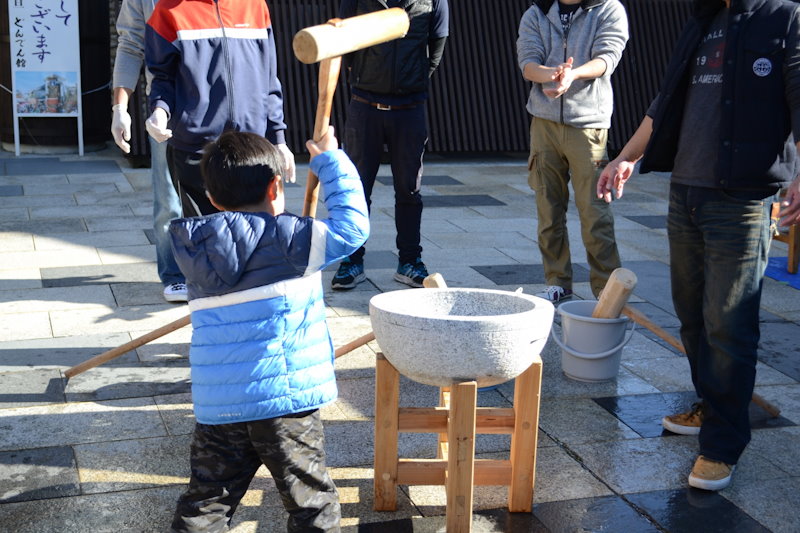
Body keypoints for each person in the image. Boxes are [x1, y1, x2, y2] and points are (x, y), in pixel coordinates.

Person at [597, 0, 800, 491]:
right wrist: (625, 158)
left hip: (742, 198)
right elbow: (664, 103)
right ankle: (712, 406)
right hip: (685, 193)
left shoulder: (784, 16)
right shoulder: (701, 21)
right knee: (692, 315)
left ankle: (722, 444)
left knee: (729, 323)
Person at [167, 127, 369, 532]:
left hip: (220, 407)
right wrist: (330, 160)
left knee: (207, 499)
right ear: (276, 186)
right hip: (285, 405)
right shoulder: (290, 239)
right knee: (311, 504)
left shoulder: (195, 250)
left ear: (211, 198)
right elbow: (353, 228)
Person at [330, 0, 449, 290]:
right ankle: (352, 260)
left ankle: (410, 262)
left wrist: (413, 80)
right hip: (365, 105)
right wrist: (364, 77)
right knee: (357, 188)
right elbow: (346, 40)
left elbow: (436, 47)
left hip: (410, 107)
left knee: (409, 189)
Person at [516, 0, 628, 302]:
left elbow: (608, 57)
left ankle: (606, 291)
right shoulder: (536, 12)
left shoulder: (608, 9)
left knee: (595, 213)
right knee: (548, 209)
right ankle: (557, 281)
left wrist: (572, 74)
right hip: (543, 123)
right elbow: (527, 63)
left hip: (589, 125)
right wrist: (552, 74)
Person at [144, 0, 296, 218]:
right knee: (205, 241)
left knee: (255, 239)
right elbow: (163, 77)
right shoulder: (168, 10)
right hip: (195, 150)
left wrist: (278, 139)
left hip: (252, 150)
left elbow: (269, 78)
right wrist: (160, 111)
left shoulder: (255, 5)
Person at [111, 0, 187, 303]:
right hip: (164, 108)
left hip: (218, 103)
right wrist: (120, 107)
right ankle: (174, 274)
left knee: (223, 192)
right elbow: (130, 45)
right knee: (169, 197)